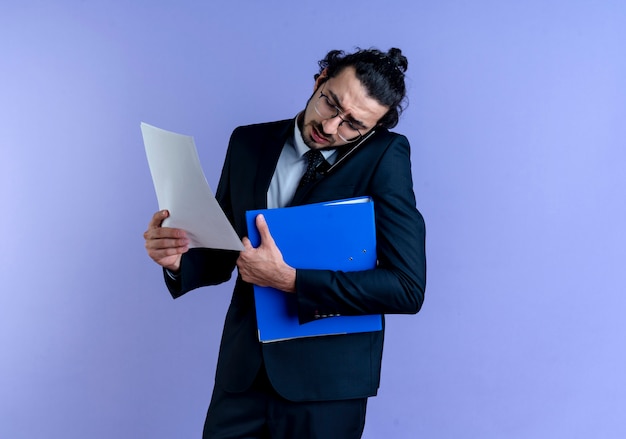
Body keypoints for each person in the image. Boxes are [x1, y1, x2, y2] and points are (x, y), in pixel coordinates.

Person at [144, 47, 426, 439]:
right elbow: (226, 251)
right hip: (242, 375)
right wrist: (177, 259)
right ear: (320, 79)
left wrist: (291, 280)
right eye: (331, 104)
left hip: (325, 387)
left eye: (353, 126)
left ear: (374, 130)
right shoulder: (248, 142)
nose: (331, 128)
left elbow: (407, 289)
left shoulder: (385, 156)